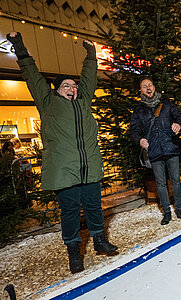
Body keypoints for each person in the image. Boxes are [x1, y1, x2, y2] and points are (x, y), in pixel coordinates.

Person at [7, 32, 117, 274]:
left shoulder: (83, 101)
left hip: (88, 165)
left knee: (94, 206)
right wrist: (19, 46)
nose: (72, 88)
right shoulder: (47, 102)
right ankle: (73, 252)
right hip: (63, 169)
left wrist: (90, 55)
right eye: (66, 85)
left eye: (74, 85)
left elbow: (89, 79)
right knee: (69, 212)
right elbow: (32, 76)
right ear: (57, 90)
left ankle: (99, 240)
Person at [130, 77, 181, 225]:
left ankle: (180, 209)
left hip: (170, 146)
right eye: (144, 86)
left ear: (154, 87)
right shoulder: (138, 111)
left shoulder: (167, 104)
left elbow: (179, 118)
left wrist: (177, 124)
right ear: (141, 90)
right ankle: (167, 212)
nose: (148, 88)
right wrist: (140, 140)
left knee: (176, 180)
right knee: (161, 183)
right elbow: (134, 130)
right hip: (155, 150)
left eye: (150, 85)